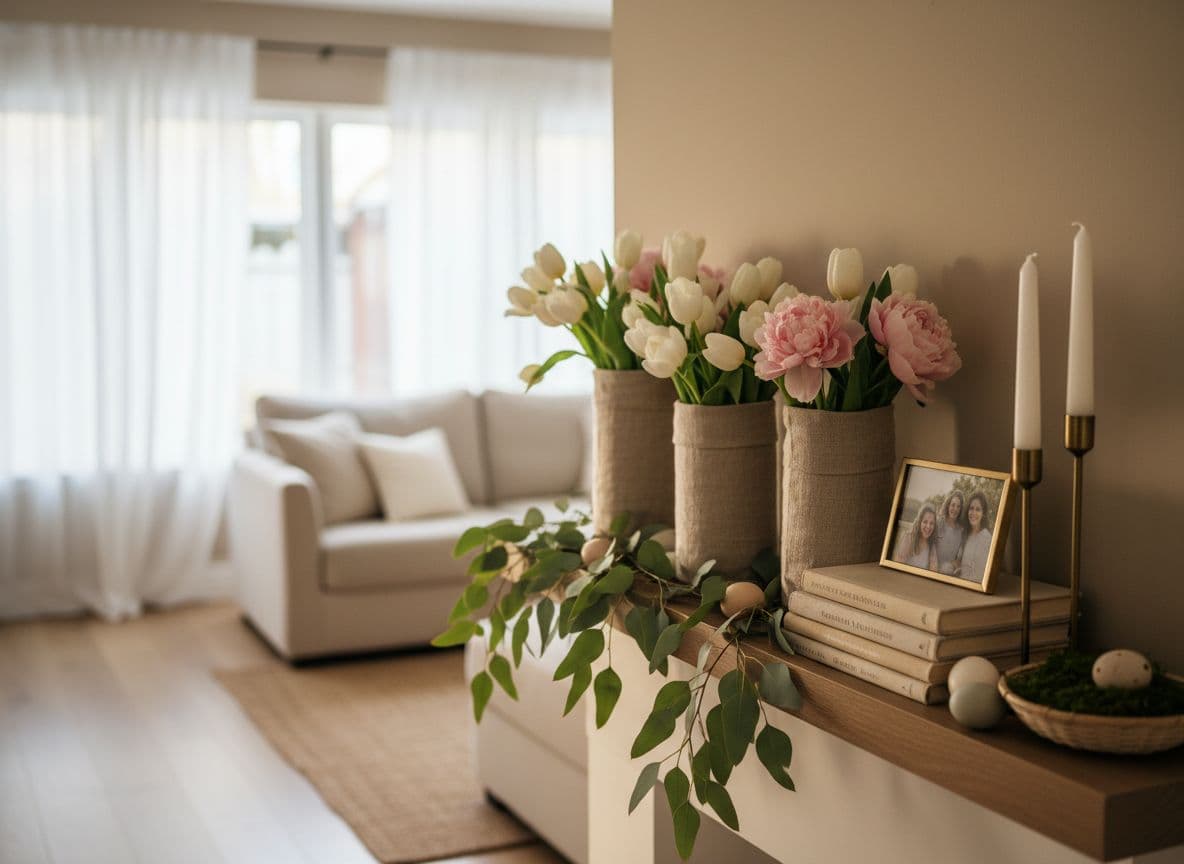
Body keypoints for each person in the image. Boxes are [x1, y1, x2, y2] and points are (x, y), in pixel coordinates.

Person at [958, 492, 993, 583]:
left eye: (978, 509)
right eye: (971, 508)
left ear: (983, 514)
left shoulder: (987, 539)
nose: (973, 513)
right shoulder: (965, 534)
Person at [933, 490, 968, 575]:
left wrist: (952, 565)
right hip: (932, 569)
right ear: (948, 505)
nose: (955, 509)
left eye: (958, 506)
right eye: (953, 505)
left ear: (961, 510)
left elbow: (959, 558)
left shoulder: (961, 531)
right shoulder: (938, 523)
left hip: (947, 573)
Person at [894, 505, 937, 570]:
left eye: (931, 523)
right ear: (919, 522)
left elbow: (934, 569)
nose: (928, 526)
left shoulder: (932, 545)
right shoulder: (908, 538)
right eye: (925, 522)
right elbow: (898, 565)